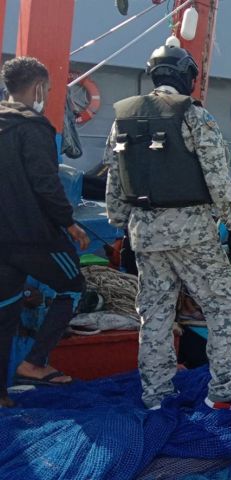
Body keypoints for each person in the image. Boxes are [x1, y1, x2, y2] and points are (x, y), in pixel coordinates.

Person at [104, 45, 231, 410]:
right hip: (192, 231)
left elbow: (116, 178)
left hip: (143, 232)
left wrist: (119, 223)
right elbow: (218, 176)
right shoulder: (194, 116)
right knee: (222, 305)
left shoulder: (122, 118)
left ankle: (156, 394)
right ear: (185, 75)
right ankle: (225, 390)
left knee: (155, 312)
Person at [0, 57, 90, 408]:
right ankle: (34, 363)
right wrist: (69, 222)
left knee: (5, 311)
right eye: (49, 90)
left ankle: (1, 395)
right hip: (34, 238)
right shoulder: (34, 128)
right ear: (38, 88)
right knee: (73, 287)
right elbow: (46, 184)